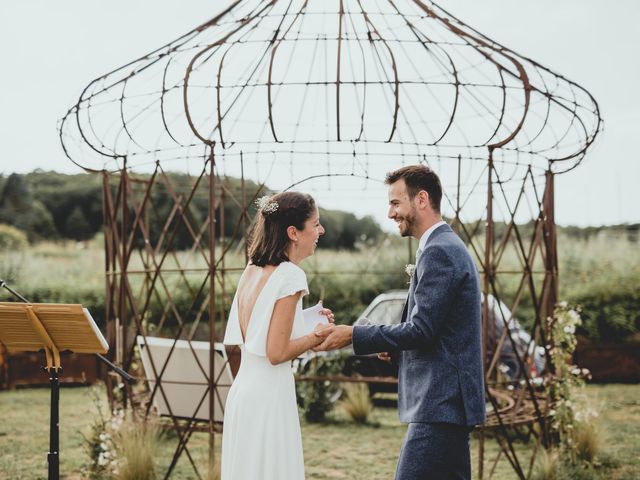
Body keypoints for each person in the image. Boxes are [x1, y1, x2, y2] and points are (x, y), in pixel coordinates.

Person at [315, 165, 485, 480]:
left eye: (395, 203)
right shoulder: (444, 247)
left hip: (440, 403)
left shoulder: (440, 252)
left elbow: (421, 330)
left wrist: (354, 335)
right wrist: (396, 350)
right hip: (448, 404)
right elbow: (437, 330)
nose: (390, 213)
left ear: (421, 199)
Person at [221, 191, 335, 480]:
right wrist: (318, 336)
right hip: (268, 399)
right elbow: (276, 352)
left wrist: (308, 319)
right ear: (293, 232)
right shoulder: (291, 275)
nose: (321, 230)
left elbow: (258, 326)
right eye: (316, 224)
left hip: (243, 392)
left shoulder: (252, 269)